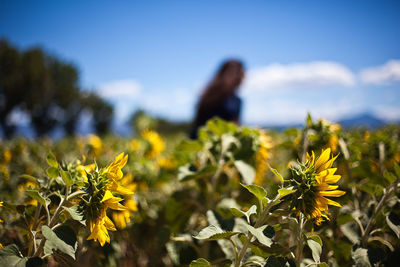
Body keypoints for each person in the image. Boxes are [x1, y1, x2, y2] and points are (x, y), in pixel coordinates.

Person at [190, 59, 245, 139]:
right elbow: (199, 123)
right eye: (231, 73)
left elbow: (236, 125)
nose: (234, 77)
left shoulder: (237, 101)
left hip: (223, 142)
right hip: (201, 140)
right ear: (222, 74)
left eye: (237, 73)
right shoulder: (209, 95)